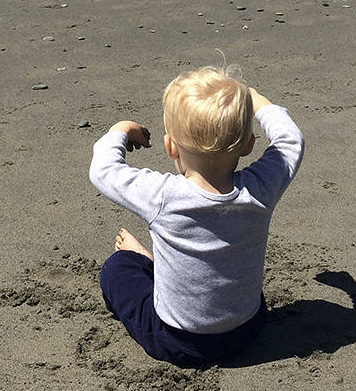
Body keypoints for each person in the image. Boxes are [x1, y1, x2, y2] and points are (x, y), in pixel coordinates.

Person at [88, 65, 304, 367]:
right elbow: (290, 140)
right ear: (248, 146)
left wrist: (121, 129)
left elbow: (103, 170)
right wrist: (257, 100)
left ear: (170, 147)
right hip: (247, 329)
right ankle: (158, 266)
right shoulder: (261, 188)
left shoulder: (162, 196)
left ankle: (147, 262)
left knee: (117, 268)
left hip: (177, 341)